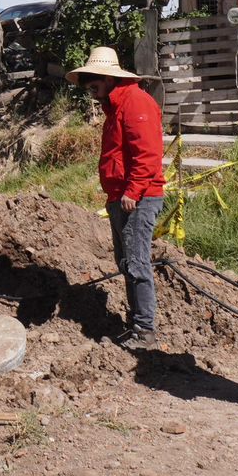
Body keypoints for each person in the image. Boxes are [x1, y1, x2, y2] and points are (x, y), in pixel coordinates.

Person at [67, 46, 165, 349]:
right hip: (121, 196)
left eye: (94, 86)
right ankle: (136, 324)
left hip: (138, 198)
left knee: (136, 265)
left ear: (109, 78)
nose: (92, 93)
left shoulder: (135, 102)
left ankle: (144, 331)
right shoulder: (115, 106)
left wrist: (133, 191)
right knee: (126, 263)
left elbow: (148, 154)